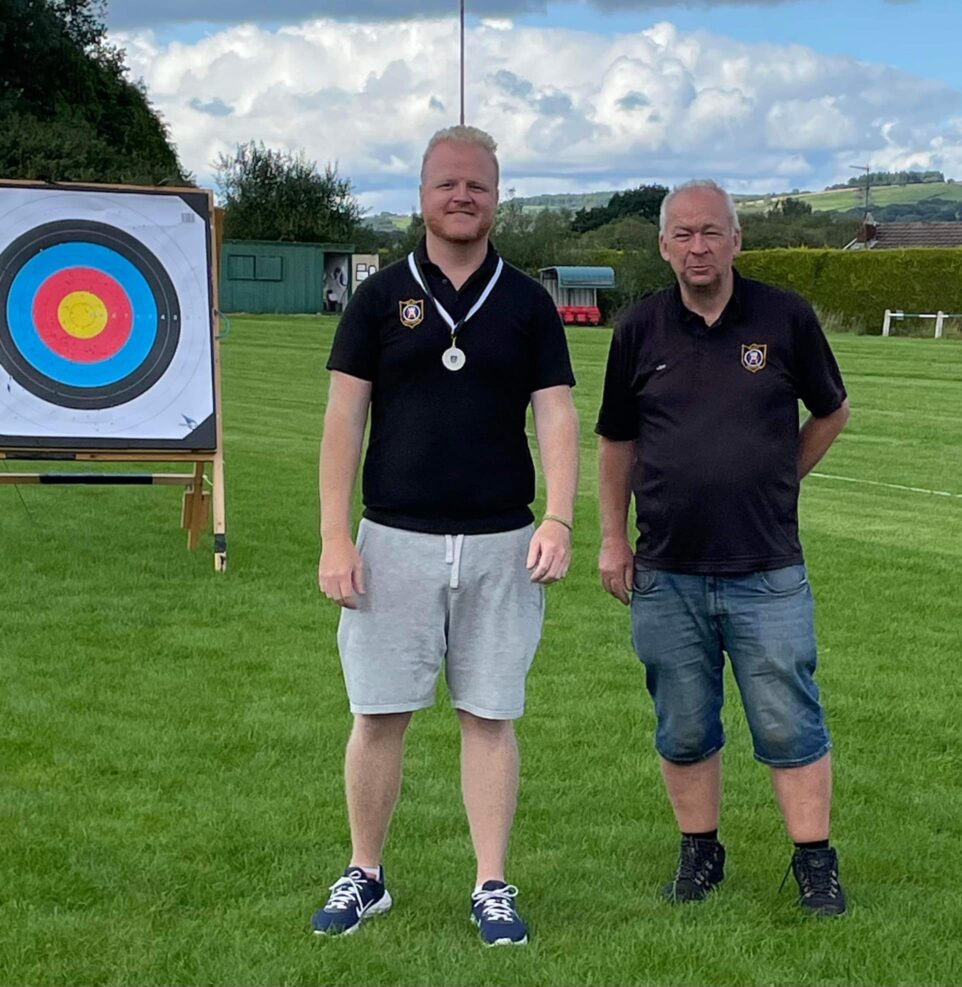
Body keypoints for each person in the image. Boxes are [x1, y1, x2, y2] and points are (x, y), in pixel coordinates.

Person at [312, 125, 579, 945]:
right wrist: (334, 534)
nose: (463, 197)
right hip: (393, 537)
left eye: (479, 186)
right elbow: (343, 416)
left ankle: (491, 883)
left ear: (498, 197)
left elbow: (558, 414)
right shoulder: (378, 295)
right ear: (421, 196)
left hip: (503, 540)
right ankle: (367, 872)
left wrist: (562, 517)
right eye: (448, 184)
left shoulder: (528, 303)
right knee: (379, 713)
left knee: (489, 717)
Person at [596, 180, 850, 917]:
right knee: (682, 721)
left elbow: (832, 411)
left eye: (712, 232)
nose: (698, 246)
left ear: (737, 240)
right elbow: (617, 441)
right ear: (664, 245)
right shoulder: (639, 329)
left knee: (788, 717)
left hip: (766, 568)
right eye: (683, 234)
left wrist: (779, 474)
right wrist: (613, 536)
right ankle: (700, 852)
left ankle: (815, 863)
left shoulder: (785, 317)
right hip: (665, 568)